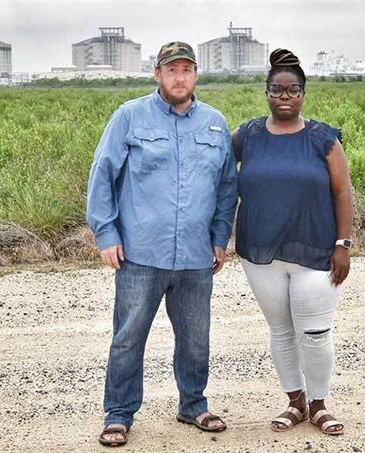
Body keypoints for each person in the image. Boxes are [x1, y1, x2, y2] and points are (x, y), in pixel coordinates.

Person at [86, 41, 237, 447]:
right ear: (157, 74)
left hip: (195, 256)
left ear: (196, 75)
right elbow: (103, 176)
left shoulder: (214, 123)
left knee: (195, 337)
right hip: (140, 254)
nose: (179, 77)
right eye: (172, 70)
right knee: (129, 336)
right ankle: (118, 413)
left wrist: (220, 237)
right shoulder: (130, 117)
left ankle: (193, 404)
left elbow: (227, 186)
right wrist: (106, 234)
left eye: (187, 70)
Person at [231, 48, 354, 435]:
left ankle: (319, 405)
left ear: (303, 94)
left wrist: (343, 244)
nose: (285, 97)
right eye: (277, 90)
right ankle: (295, 403)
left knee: (315, 334)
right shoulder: (247, 135)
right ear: (266, 92)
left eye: (293, 90)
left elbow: (343, 193)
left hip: (316, 249)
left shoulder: (323, 138)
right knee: (281, 331)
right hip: (260, 252)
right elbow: (214, 173)